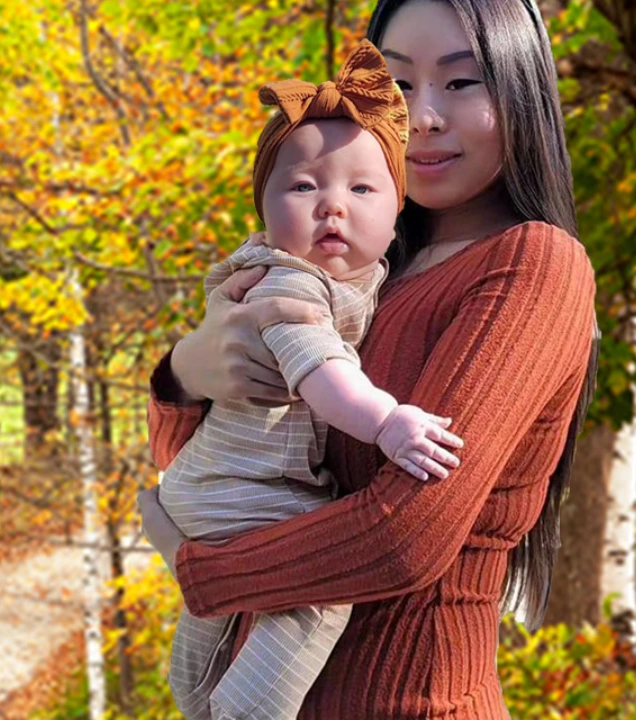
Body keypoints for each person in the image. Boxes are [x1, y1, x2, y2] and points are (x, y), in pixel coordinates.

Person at [139, 0, 600, 719]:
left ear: (520, 91)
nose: (423, 117)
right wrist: (186, 371)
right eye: (399, 85)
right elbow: (208, 464)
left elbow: (406, 536)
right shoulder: (356, 271)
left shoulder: (532, 264)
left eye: (461, 82)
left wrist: (201, 572)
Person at [156, 40, 465, 720]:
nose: (333, 207)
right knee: (318, 590)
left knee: (219, 612)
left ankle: (196, 696)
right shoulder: (289, 286)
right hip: (246, 488)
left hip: (213, 487)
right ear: (263, 210)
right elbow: (324, 374)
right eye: (303, 187)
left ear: (397, 210)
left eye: (361, 189)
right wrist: (388, 422)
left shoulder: (361, 278)